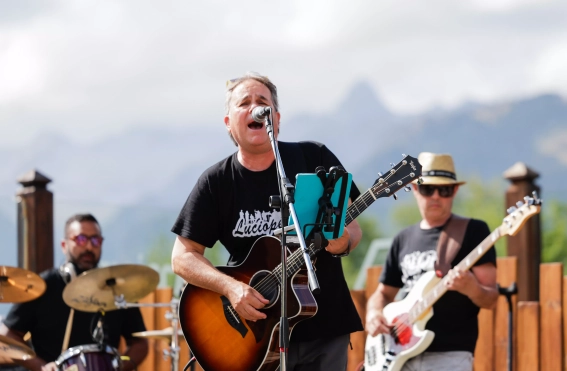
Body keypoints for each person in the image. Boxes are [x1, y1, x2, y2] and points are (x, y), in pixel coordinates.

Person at [171, 72, 363, 370]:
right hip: (252, 341)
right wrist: (231, 288)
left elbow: (351, 229)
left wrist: (341, 243)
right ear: (228, 123)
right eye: (244, 103)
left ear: (276, 117)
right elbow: (183, 258)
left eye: (263, 102)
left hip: (324, 330)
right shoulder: (216, 182)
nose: (255, 108)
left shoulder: (314, 159)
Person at [365, 152, 498, 371]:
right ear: (415, 189)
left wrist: (472, 288)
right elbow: (383, 294)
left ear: (454, 191)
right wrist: (373, 313)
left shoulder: (474, 231)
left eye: (444, 190)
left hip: (450, 355)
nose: (436, 196)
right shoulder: (403, 238)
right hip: (397, 354)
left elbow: (491, 299)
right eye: (428, 189)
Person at [0, 214, 148, 371]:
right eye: (81, 239)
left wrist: (120, 368)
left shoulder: (116, 289)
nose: (89, 247)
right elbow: (8, 334)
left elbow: (140, 342)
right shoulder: (44, 285)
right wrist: (41, 366)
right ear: (64, 245)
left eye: (96, 240)